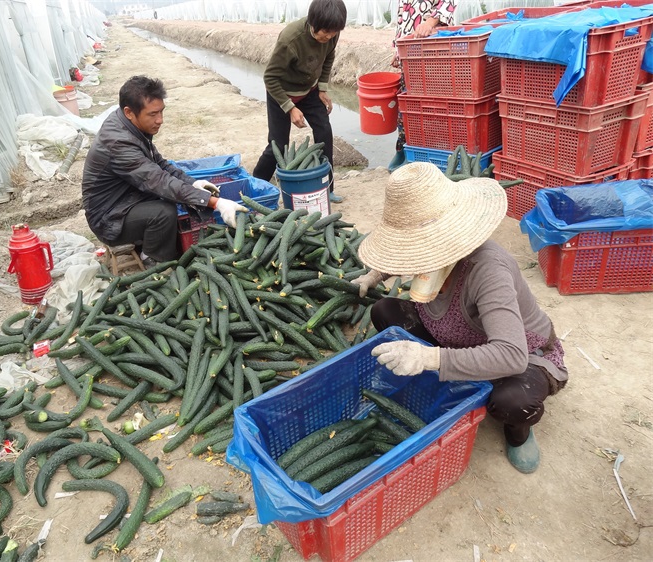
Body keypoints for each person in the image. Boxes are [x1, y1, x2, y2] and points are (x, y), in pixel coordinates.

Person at [353, 162, 568, 474]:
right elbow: (405, 254)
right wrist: (375, 275)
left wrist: (428, 357)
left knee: (512, 401)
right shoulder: (428, 255)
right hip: (454, 335)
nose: (414, 255)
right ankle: (450, 375)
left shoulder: (488, 270)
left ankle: (519, 433)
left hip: (520, 354)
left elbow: (511, 355)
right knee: (384, 310)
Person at [82, 76, 246, 267]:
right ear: (129, 112)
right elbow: (159, 181)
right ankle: (153, 259)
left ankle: (149, 242)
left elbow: (160, 164)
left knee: (172, 196)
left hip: (123, 199)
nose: (160, 120)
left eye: (161, 111)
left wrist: (192, 183)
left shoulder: (129, 125)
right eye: (153, 114)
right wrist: (217, 203)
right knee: (163, 212)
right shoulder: (118, 143)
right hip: (108, 219)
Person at [252, 0, 347, 204]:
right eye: (326, 32)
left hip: (309, 89)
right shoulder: (291, 39)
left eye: (334, 33)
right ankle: (256, 185)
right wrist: (290, 108)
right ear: (313, 22)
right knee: (278, 146)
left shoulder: (332, 32)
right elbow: (270, 78)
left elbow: (329, 57)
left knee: (324, 132)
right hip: (281, 92)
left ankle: (327, 187)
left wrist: (322, 88)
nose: (329, 37)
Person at [388, 0, 458, 171]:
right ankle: (405, 151)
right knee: (407, 105)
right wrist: (398, 48)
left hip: (432, 48)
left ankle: (433, 155)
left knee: (431, 106)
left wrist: (430, 22)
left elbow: (448, 3)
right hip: (409, 51)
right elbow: (404, 15)